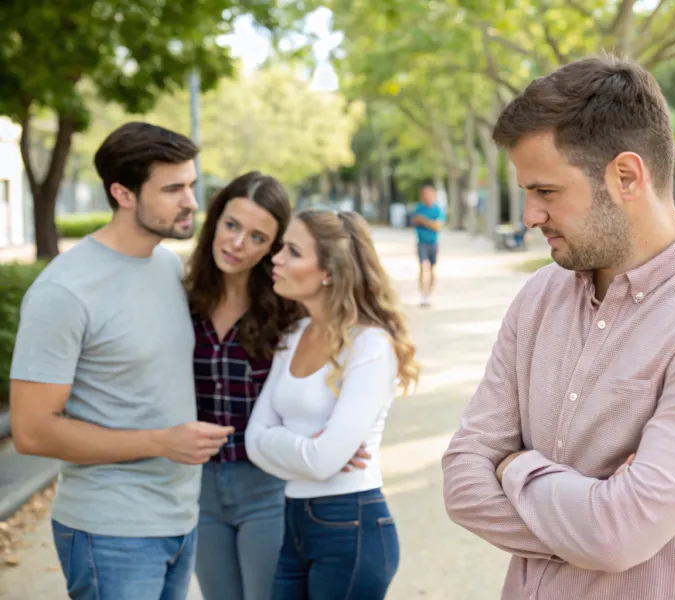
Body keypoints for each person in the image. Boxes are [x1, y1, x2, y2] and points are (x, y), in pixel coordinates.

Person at [442, 56, 675, 600]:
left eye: (546, 192)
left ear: (626, 176)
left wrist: (512, 468)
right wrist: (590, 516)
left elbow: (617, 535)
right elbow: (463, 482)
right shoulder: (537, 298)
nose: (530, 215)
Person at [9, 122, 235, 600]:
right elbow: (31, 431)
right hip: (111, 529)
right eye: (172, 189)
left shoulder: (169, 266)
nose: (191, 202)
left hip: (180, 516)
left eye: (191, 185)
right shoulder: (63, 292)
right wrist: (160, 441)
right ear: (123, 193)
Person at [244, 209, 420, 600]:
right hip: (294, 522)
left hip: (351, 524)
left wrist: (296, 447)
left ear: (329, 271)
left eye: (292, 251)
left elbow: (322, 461)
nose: (276, 259)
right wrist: (309, 447)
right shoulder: (294, 334)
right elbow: (253, 441)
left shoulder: (369, 346)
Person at [184, 171, 304, 600]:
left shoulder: (288, 312)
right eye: (232, 225)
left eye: (257, 237)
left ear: (272, 248)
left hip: (267, 486)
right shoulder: (182, 298)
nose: (237, 244)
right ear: (215, 219)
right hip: (197, 487)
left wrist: (342, 436)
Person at [411, 184, 444, 307]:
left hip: (433, 243)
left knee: (431, 269)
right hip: (421, 242)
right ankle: (422, 294)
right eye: (424, 194)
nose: (426, 196)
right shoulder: (419, 208)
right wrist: (425, 222)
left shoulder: (437, 210)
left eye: (429, 194)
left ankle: (428, 293)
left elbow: (437, 226)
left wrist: (423, 221)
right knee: (423, 266)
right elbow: (413, 221)